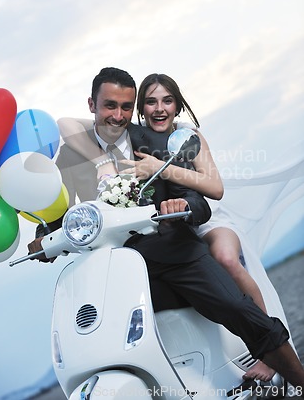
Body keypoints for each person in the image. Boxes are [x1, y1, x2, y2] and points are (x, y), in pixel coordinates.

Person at [29, 67, 304, 391]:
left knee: (236, 307)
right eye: (109, 106)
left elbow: (198, 200)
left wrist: (181, 208)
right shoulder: (72, 156)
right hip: (118, 268)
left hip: (177, 252)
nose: (118, 115)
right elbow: (62, 214)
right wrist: (41, 242)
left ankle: (298, 381)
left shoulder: (157, 142)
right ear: (92, 105)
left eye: (126, 107)